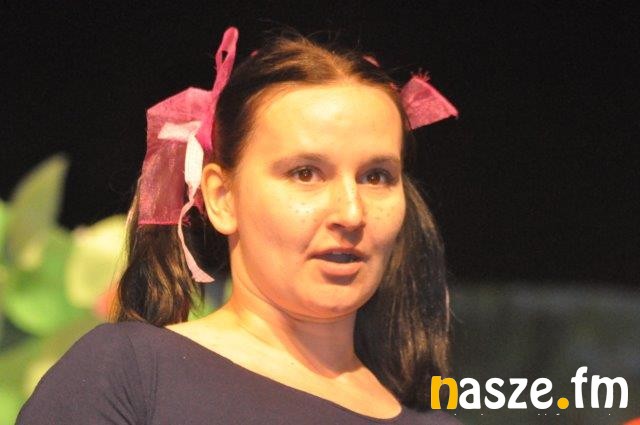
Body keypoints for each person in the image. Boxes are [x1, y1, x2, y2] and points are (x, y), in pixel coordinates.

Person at [17, 27, 459, 424]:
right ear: (222, 197)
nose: (351, 212)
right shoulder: (130, 375)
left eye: (376, 176)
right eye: (305, 173)